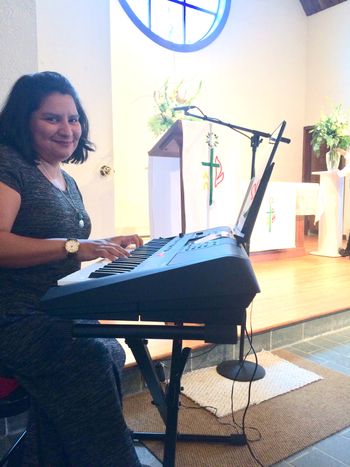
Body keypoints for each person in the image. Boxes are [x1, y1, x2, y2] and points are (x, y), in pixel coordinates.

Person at [0, 71, 147, 466]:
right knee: (92, 359)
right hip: (16, 317)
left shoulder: (65, 177)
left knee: (110, 349)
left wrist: (104, 245)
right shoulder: (9, 166)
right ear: (23, 120)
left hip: (58, 307)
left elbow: (67, 246)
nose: (67, 129)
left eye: (73, 118)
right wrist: (75, 247)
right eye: (52, 118)